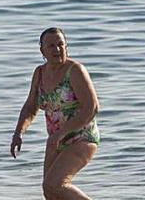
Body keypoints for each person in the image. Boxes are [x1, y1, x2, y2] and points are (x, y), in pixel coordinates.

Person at [11, 27, 101, 199]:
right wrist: (18, 133)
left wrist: (62, 133)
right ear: (42, 50)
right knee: (50, 192)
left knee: (55, 184)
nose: (57, 49)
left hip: (81, 137)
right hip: (56, 140)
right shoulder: (40, 73)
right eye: (51, 46)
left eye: (61, 44)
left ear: (67, 46)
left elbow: (92, 107)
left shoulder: (75, 71)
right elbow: (31, 107)